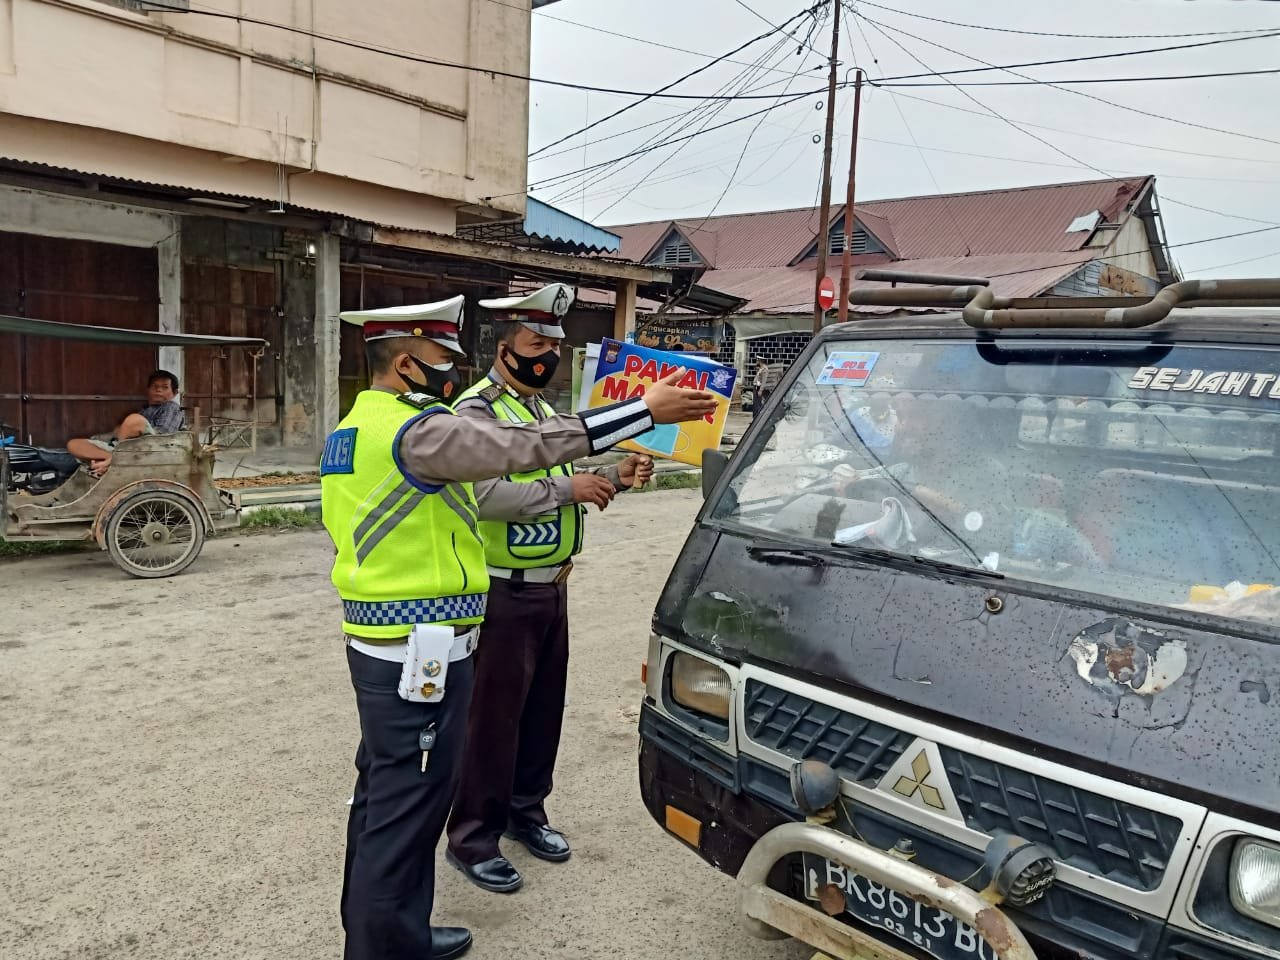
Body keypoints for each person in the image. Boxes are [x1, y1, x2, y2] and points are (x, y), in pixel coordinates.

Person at [322, 295, 715, 960]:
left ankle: (391, 935)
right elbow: (520, 449)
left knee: (385, 801)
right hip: (418, 647)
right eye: (445, 360)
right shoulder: (416, 431)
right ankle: (384, 947)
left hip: (392, 641)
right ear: (410, 363)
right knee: (405, 806)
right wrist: (642, 410)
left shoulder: (359, 426)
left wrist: (602, 472)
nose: (455, 372)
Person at [444, 284, 654, 894]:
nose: (548, 356)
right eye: (536, 343)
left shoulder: (541, 412)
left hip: (551, 587)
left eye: (555, 346)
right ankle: (473, 837)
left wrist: (610, 474)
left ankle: (525, 812)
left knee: (541, 712)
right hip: (500, 593)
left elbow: (562, 475)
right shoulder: (475, 413)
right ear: (503, 348)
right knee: (492, 720)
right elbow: (483, 499)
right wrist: (572, 489)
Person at [66, 369, 184, 476]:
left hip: (152, 450)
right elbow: (116, 436)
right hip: (126, 450)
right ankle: (114, 459)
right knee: (74, 444)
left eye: (164, 387)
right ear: (148, 390)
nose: (159, 390)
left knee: (134, 420)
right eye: (155, 386)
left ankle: (112, 461)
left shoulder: (171, 407)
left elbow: (163, 436)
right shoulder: (145, 410)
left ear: (174, 393)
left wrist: (133, 427)